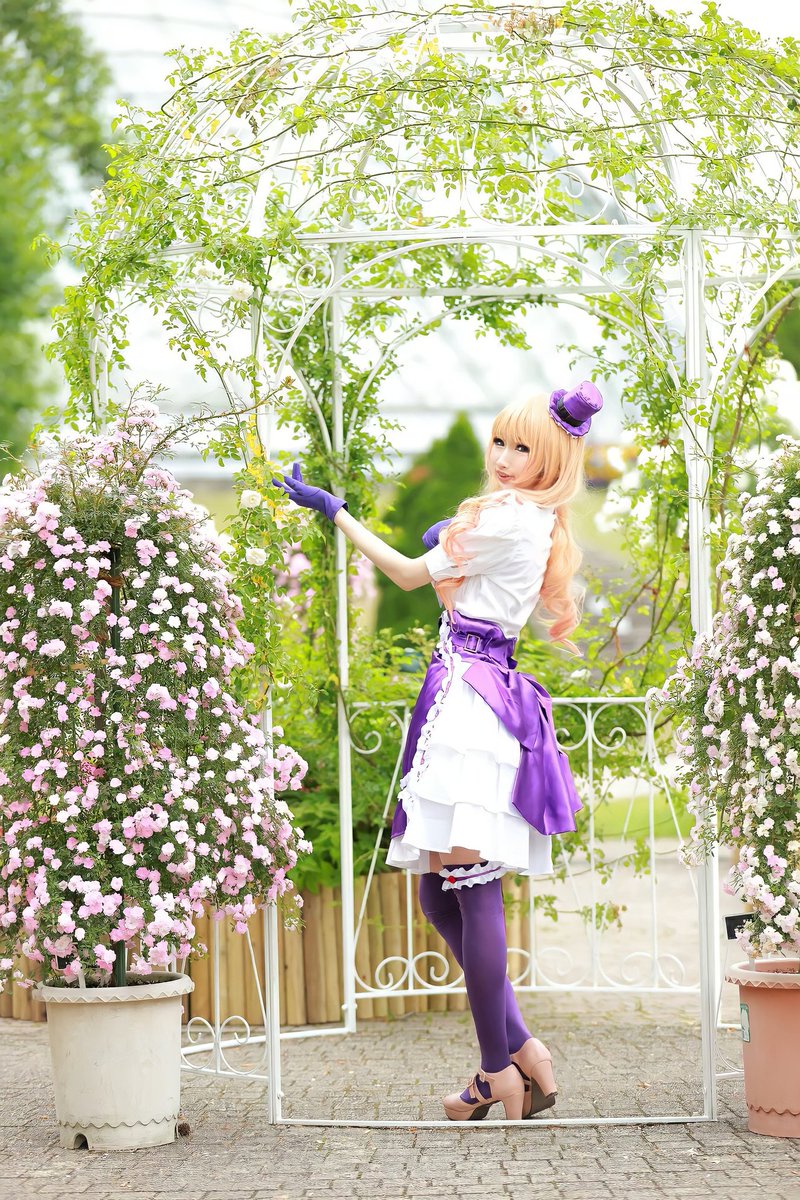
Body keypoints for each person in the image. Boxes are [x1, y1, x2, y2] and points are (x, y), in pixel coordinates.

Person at [272, 381, 601, 1123]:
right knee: (436, 891)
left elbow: (405, 575)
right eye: (501, 441)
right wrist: (452, 552)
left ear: (552, 461)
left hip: (469, 707)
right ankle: (523, 1049)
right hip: (469, 691)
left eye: (524, 448)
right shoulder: (524, 520)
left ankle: (496, 1071)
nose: (505, 457)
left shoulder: (508, 519)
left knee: (470, 889)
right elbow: (456, 602)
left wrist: (336, 512)